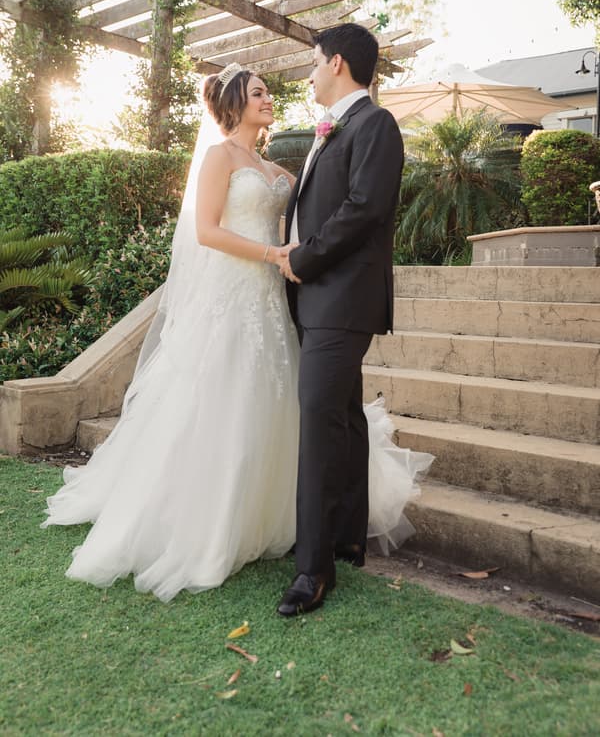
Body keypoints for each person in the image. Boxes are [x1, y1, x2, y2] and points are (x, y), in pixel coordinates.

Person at [42, 60, 431, 604]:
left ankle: (280, 516)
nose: (269, 99)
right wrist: (273, 252)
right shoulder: (217, 157)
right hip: (232, 295)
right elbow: (206, 231)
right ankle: (209, 519)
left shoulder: (276, 167)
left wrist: (308, 257)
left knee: (278, 404)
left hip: (276, 300)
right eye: (258, 93)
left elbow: (314, 219)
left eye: (268, 91)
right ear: (233, 104)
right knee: (222, 401)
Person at [277, 23, 406, 617]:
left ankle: (313, 569)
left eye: (312, 62)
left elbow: (363, 209)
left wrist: (303, 256)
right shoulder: (332, 130)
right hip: (317, 298)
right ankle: (348, 535)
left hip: (342, 297)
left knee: (319, 422)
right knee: (344, 418)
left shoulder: (375, 124)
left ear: (336, 63)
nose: (308, 73)